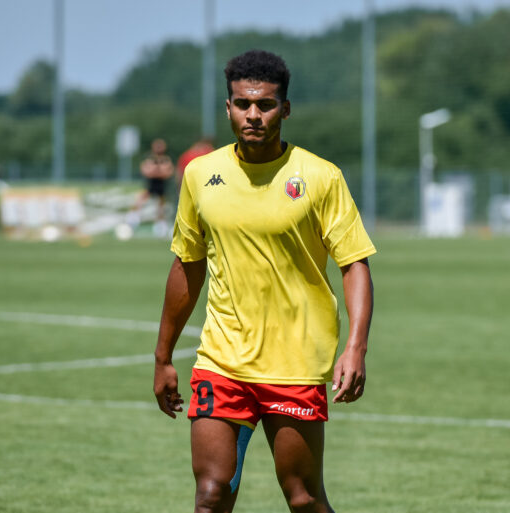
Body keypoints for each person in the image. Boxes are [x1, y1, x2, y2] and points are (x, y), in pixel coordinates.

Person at [153, 50, 375, 513]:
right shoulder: (199, 175)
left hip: (295, 363)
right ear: (228, 107)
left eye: (266, 104)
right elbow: (187, 266)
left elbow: (354, 264)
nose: (253, 114)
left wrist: (355, 346)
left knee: (303, 498)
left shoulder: (320, 176)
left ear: (285, 109)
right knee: (211, 494)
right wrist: (163, 356)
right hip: (222, 360)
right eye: (242, 103)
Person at [130, 138, 175, 237]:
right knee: (140, 200)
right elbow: (146, 171)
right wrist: (158, 171)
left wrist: (157, 171)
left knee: (161, 207)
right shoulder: (149, 158)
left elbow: (168, 172)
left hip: (162, 186)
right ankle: (132, 222)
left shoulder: (166, 159)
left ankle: (161, 228)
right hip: (150, 185)